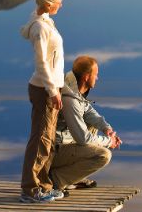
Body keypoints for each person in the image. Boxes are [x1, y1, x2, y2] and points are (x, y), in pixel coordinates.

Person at [19, 0, 69, 203]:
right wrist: (52, 91)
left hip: (50, 87)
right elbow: (41, 63)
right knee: (41, 138)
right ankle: (30, 190)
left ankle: (43, 185)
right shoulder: (40, 27)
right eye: (59, 1)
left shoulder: (44, 21)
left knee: (46, 139)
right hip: (44, 89)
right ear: (49, 3)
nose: (61, 5)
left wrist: (57, 87)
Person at [49, 55, 121, 193]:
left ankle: (72, 177)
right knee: (103, 155)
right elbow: (83, 139)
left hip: (66, 144)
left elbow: (89, 112)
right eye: (96, 75)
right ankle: (56, 179)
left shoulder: (74, 90)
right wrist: (108, 142)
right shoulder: (70, 99)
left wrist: (107, 129)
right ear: (86, 77)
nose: (98, 78)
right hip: (56, 151)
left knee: (92, 124)